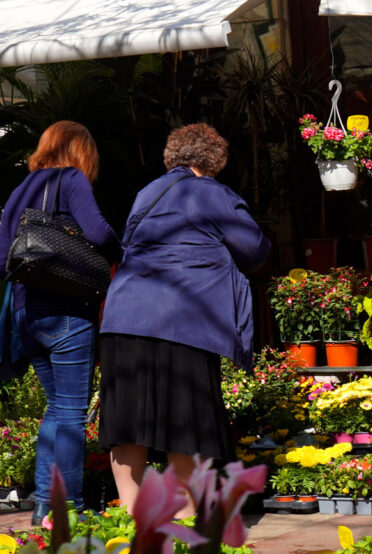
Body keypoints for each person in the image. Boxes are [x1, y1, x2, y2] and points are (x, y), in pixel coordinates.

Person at [98, 123, 269, 516]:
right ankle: (185, 520)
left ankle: (130, 518)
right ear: (215, 161)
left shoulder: (147, 193)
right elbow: (254, 250)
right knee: (186, 422)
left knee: (127, 423)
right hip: (185, 320)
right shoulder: (212, 192)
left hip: (124, 318)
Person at [0, 121, 122, 525]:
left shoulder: (20, 190)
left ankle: (44, 507)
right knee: (71, 412)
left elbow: (3, 259)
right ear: (82, 152)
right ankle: (68, 508)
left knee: (55, 409)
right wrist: (122, 251)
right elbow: (98, 233)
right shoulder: (71, 179)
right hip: (67, 309)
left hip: (26, 316)